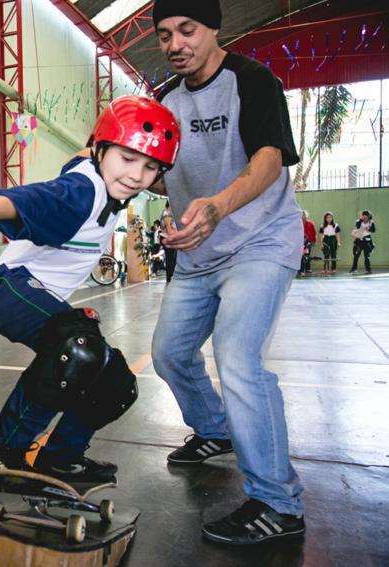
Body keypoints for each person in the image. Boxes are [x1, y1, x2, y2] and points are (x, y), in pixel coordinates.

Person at [0, 95, 180, 485]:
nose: (136, 175)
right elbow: (39, 199)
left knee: (116, 384)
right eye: (127, 160)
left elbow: (107, 157)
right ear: (100, 149)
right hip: (5, 287)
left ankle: (62, 458)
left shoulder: (107, 179)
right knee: (76, 347)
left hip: (35, 291)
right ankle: (2, 453)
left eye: (149, 168)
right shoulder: (85, 189)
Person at [148, 0, 306, 545]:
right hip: (196, 253)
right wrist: (119, 167)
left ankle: (278, 502)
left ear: (214, 28)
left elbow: (270, 157)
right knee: (170, 353)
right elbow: (161, 174)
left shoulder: (252, 82)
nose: (175, 44)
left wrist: (218, 205)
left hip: (260, 242)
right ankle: (214, 431)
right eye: (165, 34)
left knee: (238, 358)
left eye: (186, 30)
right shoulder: (163, 101)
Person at [350, 210, 376, 274]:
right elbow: (357, 227)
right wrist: (361, 220)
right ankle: (354, 269)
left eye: (366, 215)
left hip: (367, 241)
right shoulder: (358, 221)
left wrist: (368, 229)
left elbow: (373, 230)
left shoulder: (371, 222)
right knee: (356, 255)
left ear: (369, 216)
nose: (365, 216)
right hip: (359, 240)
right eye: (363, 215)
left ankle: (368, 269)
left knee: (367, 256)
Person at [161, 201, 178, 283]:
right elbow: (168, 227)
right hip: (167, 237)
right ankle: (170, 278)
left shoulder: (171, 212)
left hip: (171, 237)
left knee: (173, 258)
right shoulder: (167, 213)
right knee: (170, 259)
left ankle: (172, 277)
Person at [300, 210, 317, 275]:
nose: (303, 216)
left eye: (304, 215)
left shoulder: (310, 223)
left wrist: (314, 241)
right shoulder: (297, 223)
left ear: (307, 216)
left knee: (307, 255)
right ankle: (301, 269)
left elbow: (314, 233)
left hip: (308, 242)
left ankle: (307, 268)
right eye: (302, 215)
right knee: (301, 256)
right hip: (299, 243)